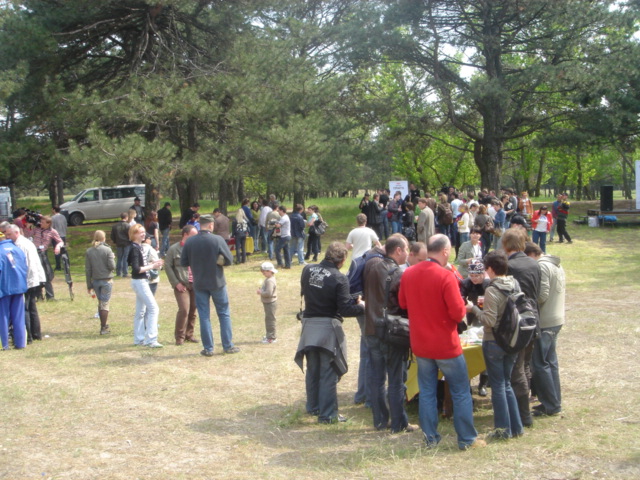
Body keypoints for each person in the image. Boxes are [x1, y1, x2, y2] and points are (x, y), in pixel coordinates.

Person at [398, 234, 483, 450]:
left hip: (421, 343)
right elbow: (457, 313)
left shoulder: (409, 273)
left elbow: (403, 303)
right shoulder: (445, 276)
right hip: (445, 344)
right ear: (445, 251)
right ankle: (466, 439)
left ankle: (430, 439)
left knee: (427, 391)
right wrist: (464, 306)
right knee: (460, 391)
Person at [295, 242, 365, 424]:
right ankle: (328, 415)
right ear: (342, 260)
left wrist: (348, 298)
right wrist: (362, 307)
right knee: (328, 372)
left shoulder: (307, 270)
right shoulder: (339, 278)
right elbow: (345, 310)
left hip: (309, 326)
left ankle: (313, 406)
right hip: (328, 328)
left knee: (313, 369)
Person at [466, 251, 524, 440]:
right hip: (512, 339)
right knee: (506, 383)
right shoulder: (513, 284)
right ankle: (516, 427)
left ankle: (502, 430)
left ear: (490, 269)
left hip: (494, 341)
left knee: (498, 386)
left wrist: (474, 309)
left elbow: (489, 321)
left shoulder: (492, 289)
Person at [363, 234, 417, 433]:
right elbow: (405, 304)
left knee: (376, 378)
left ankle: (380, 420)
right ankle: (399, 423)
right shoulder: (398, 274)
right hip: (391, 331)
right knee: (396, 379)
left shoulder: (371, 267)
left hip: (372, 328)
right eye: (406, 249)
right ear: (398, 250)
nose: (408, 253)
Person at [181, 214, 239, 356]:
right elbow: (229, 260)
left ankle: (208, 348)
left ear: (200, 225)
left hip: (199, 282)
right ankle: (227, 346)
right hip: (217, 282)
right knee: (224, 314)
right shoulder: (217, 239)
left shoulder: (190, 241)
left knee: (204, 316)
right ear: (211, 225)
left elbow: (184, 262)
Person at [502, 228, 541, 428]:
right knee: (524, 365)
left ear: (506, 245)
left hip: (517, 320)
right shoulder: (534, 263)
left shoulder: (510, 266)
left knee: (517, 369)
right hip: (532, 318)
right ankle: (523, 411)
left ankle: (522, 415)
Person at [525, 242, 565, 417]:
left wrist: (525, 301)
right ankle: (554, 402)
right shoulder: (556, 264)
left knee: (540, 363)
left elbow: (542, 295)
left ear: (531, 254)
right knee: (550, 362)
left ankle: (550, 404)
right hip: (556, 318)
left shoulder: (542, 266)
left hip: (546, 321)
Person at [0, 223, 45, 343]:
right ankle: (36, 334)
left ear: (17, 232)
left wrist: (22, 281)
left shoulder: (20, 245)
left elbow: (24, 265)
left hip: (27, 280)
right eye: (5, 234)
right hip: (34, 278)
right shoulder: (25, 242)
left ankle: (28, 337)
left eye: (9, 234)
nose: (7, 237)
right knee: (31, 307)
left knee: (24, 309)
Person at [127, 223, 164, 348]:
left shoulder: (138, 247)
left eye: (144, 232)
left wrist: (153, 263)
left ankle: (139, 339)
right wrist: (152, 266)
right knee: (153, 309)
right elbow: (136, 269)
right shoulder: (135, 248)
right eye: (141, 232)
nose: (144, 235)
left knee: (141, 311)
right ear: (134, 234)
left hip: (140, 281)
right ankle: (151, 339)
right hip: (140, 281)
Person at [459, 260, 490, 395]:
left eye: (477, 275)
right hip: (472, 318)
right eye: (472, 275)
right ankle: (468, 381)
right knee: (470, 350)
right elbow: (460, 297)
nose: (474, 278)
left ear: (483, 274)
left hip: (487, 318)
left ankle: (483, 383)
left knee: (485, 351)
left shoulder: (488, 284)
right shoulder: (466, 283)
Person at [165, 225, 199, 346]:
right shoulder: (174, 249)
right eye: (193, 236)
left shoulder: (196, 248)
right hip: (181, 284)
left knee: (193, 309)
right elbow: (167, 266)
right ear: (185, 235)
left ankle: (189, 334)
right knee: (184, 309)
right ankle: (179, 337)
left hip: (195, 284)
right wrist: (176, 283)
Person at [24, 215, 63, 301]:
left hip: (43, 253)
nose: (40, 223)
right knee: (36, 273)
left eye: (42, 222)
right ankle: (38, 296)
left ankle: (50, 296)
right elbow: (27, 235)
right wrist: (27, 227)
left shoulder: (52, 231)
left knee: (47, 274)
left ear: (48, 223)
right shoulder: (37, 229)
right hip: (35, 253)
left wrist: (58, 247)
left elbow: (60, 241)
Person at [85, 230, 115, 335]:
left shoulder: (89, 251)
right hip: (106, 280)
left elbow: (88, 269)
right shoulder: (107, 250)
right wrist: (113, 258)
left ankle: (103, 325)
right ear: (104, 238)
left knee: (100, 303)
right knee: (105, 304)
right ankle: (103, 327)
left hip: (95, 281)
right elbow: (112, 266)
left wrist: (89, 285)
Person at [0, 234, 28, 350]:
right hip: (19, 286)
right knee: (18, 316)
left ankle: (4, 344)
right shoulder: (18, 249)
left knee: (3, 316)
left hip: (4, 287)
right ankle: (20, 343)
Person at [257, 261, 278, 344]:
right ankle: (269, 335)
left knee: (270, 320)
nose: (263, 273)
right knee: (269, 319)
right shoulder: (269, 279)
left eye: (264, 272)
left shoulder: (269, 281)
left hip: (270, 303)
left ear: (269, 271)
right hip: (269, 303)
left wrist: (261, 292)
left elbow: (268, 293)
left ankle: (271, 338)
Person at [111, 212, 132, 277]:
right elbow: (130, 235)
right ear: (126, 217)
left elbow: (112, 236)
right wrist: (130, 240)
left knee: (119, 258)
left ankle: (118, 272)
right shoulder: (127, 226)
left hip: (119, 243)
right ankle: (125, 272)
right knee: (125, 257)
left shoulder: (115, 226)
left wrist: (115, 241)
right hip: (126, 243)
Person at [51, 206, 68, 271]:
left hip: (56, 237)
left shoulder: (53, 218)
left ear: (54, 210)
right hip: (63, 235)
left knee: (57, 251)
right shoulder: (63, 217)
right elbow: (65, 225)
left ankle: (58, 266)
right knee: (63, 251)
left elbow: (51, 227)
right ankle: (66, 264)